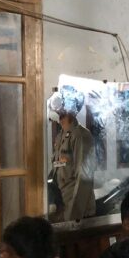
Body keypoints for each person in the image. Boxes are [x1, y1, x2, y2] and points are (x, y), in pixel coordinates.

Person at [51, 86, 96, 221]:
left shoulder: (81, 135)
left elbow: (84, 177)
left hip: (77, 208)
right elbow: (58, 165)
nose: (58, 110)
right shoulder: (61, 135)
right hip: (63, 202)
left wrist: (74, 214)